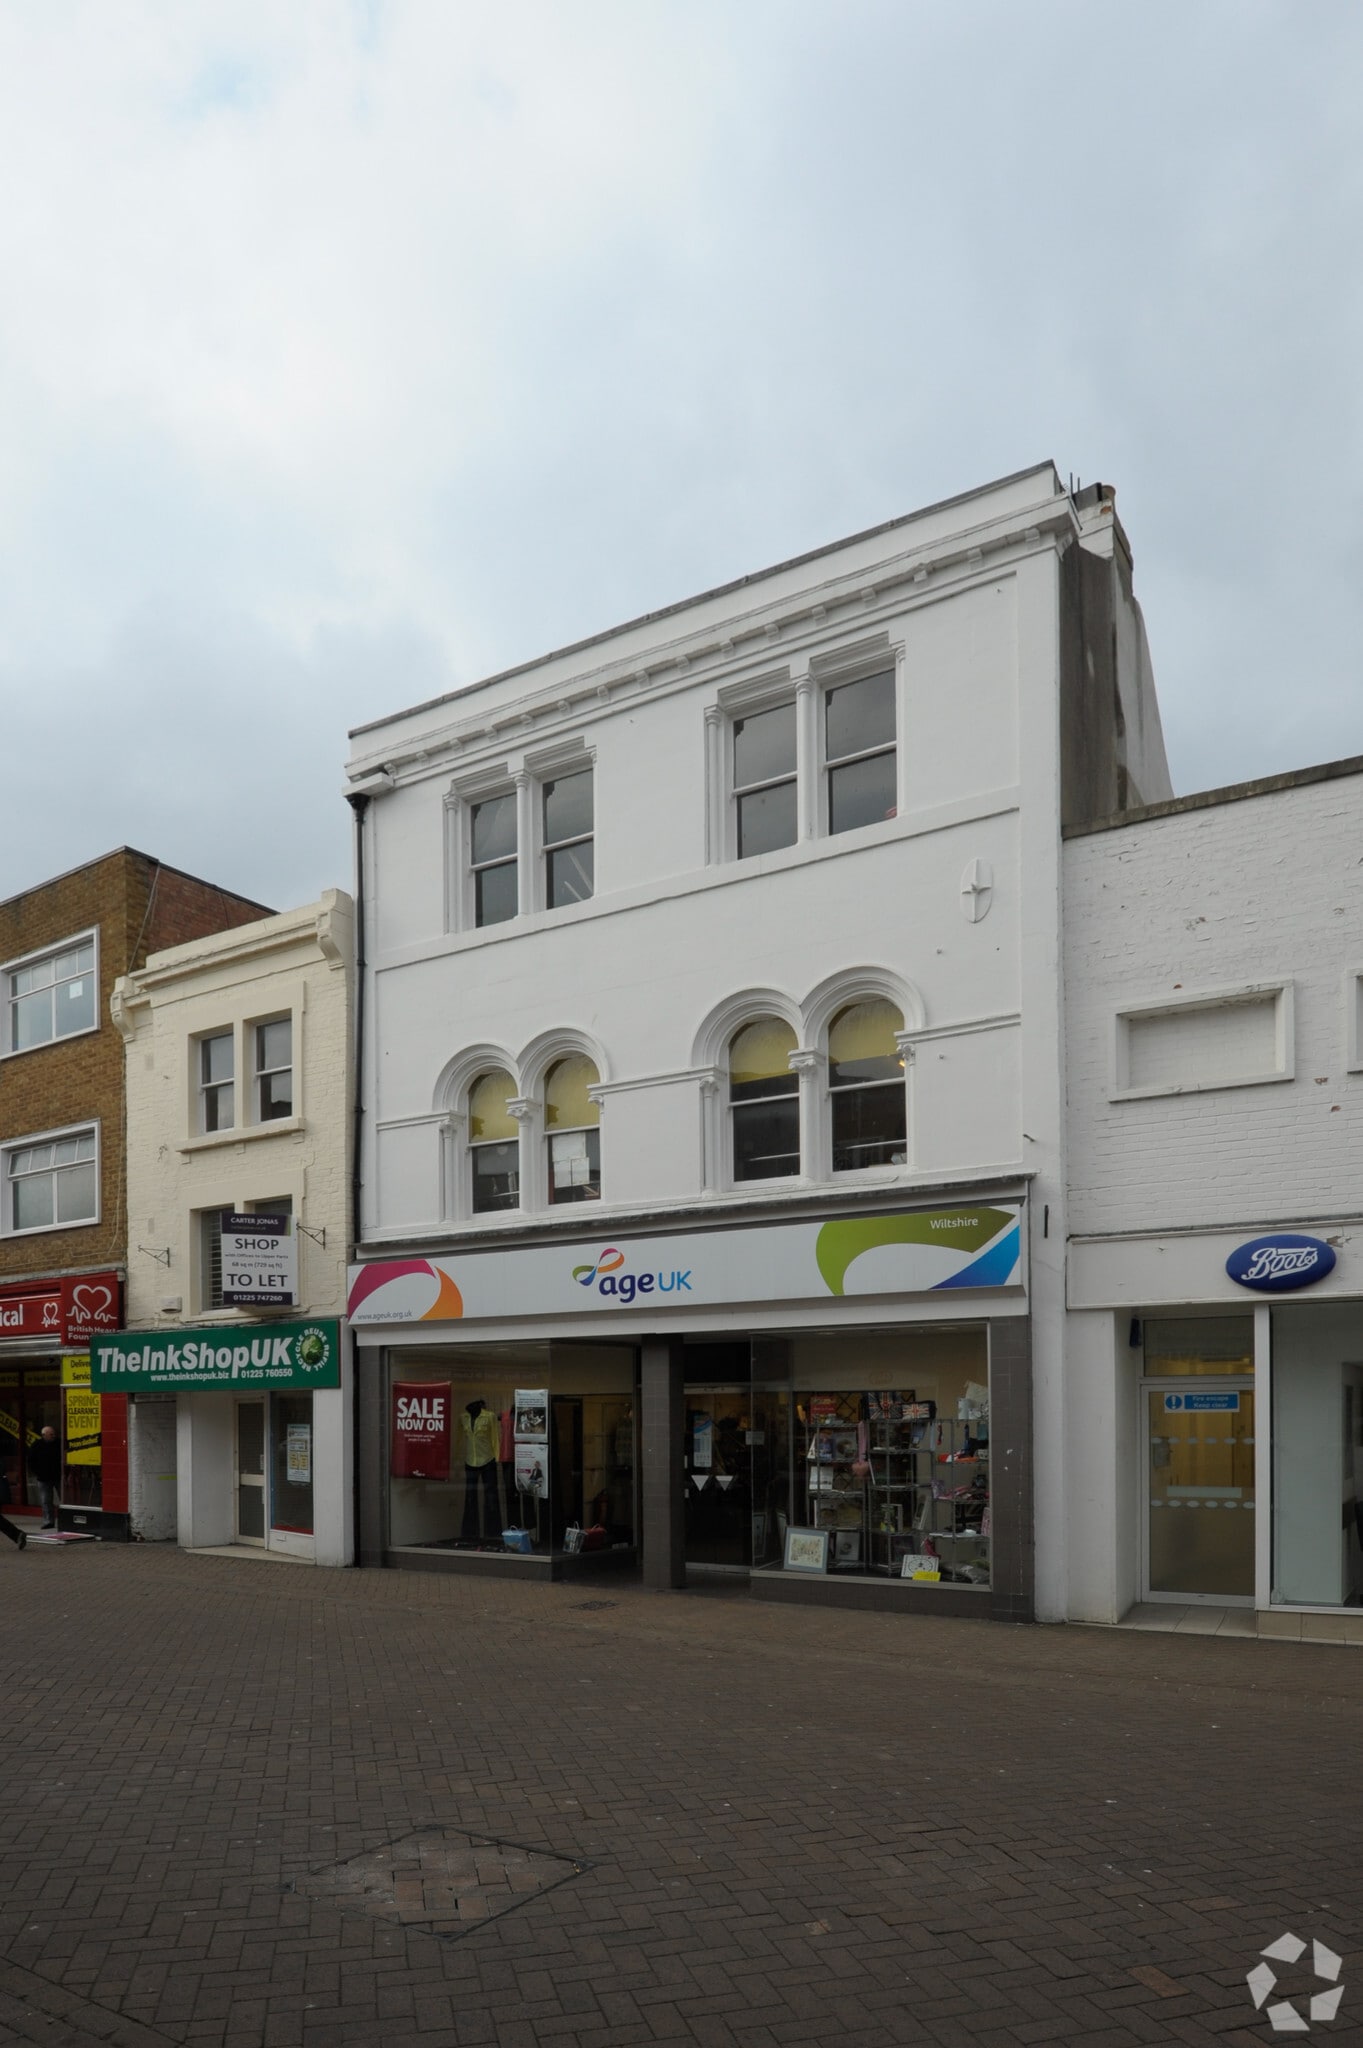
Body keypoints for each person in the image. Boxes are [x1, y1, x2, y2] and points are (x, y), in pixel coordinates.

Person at [28, 1425, 60, 1529]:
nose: (53, 1436)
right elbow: (31, 1461)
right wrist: (38, 1473)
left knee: (64, 1500)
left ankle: (66, 1519)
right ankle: (48, 1521)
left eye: (53, 1433)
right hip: (43, 1478)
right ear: (44, 1435)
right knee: (46, 1501)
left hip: (58, 1476)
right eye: (51, 1434)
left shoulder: (58, 1443)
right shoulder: (37, 1445)